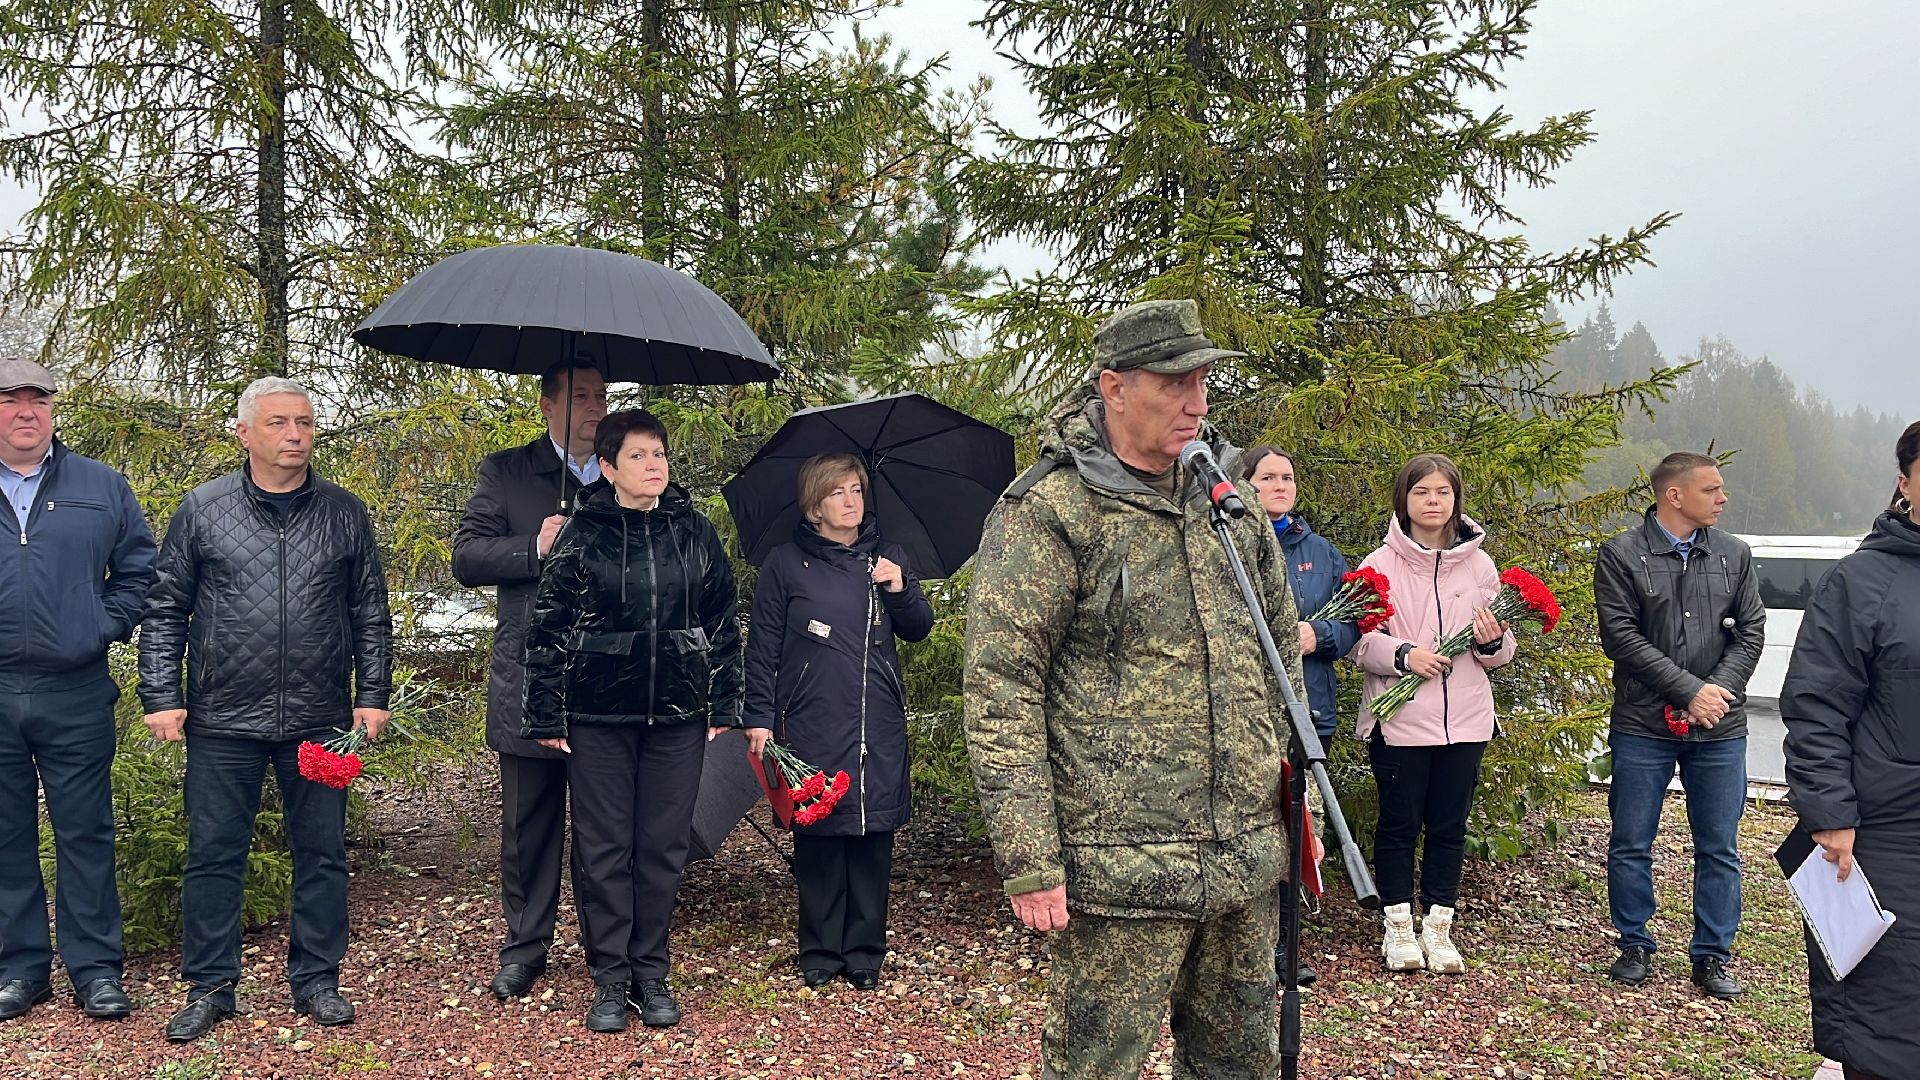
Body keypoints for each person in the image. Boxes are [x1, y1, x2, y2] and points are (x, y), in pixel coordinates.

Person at [963, 298, 1308, 1080]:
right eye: (1174, 384)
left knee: (1241, 1065)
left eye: (1205, 381)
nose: (1198, 403)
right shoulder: (1049, 511)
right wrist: (1030, 858)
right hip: (1120, 866)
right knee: (1094, 1067)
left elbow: (1278, 649)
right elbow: (1001, 691)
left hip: (1244, 861)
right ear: (1113, 388)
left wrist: (1279, 795)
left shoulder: (1230, 503)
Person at [139, 377, 392, 1042]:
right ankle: (211, 987)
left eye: (305, 423)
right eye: (279, 423)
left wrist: (373, 694)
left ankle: (316, 981)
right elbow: (166, 608)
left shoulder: (344, 512)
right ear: (244, 433)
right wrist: (162, 695)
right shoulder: (203, 510)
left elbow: (370, 610)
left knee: (323, 854)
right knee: (215, 855)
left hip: (319, 717)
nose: (294, 436)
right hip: (224, 717)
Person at [520, 408, 742, 1034]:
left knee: (663, 849)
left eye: (660, 454)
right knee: (605, 847)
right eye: (639, 456)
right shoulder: (582, 533)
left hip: (677, 716)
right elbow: (549, 627)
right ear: (610, 466)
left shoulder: (694, 531)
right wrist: (545, 709)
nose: (653, 466)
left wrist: (723, 701)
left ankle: (652, 972)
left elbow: (724, 620)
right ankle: (611, 978)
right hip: (598, 715)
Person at [0, 357, 157, 1023]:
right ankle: (20, 970)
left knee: (86, 834)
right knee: (5, 836)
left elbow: (141, 569)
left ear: (54, 409)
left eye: (37, 399)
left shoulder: (100, 485)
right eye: (9, 400)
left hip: (76, 689)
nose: (24, 412)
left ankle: (95, 971)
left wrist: (105, 623)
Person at [742, 454, 934, 991]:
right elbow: (762, 652)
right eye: (838, 493)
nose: (852, 501)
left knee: (873, 835)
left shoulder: (886, 557)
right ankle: (821, 951)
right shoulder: (785, 565)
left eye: (857, 489)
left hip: (877, 721)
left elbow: (919, 628)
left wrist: (900, 589)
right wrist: (758, 720)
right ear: (813, 506)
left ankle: (866, 952)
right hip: (811, 719)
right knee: (821, 835)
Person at [451, 360, 608, 1001]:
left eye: (602, 396)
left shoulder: (625, 471)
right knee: (529, 825)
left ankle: (608, 950)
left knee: (604, 828)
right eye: (580, 397)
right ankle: (525, 946)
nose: (595, 407)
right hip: (530, 676)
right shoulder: (508, 471)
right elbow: (465, 556)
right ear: (547, 405)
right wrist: (533, 547)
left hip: (607, 679)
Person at [1593, 451, 1764, 999]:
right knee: (1631, 839)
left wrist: (1712, 694)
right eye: (1712, 489)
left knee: (1719, 845)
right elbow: (1621, 638)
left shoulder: (1734, 555)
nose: (1723, 497)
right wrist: (1688, 690)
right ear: (1674, 495)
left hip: (1720, 728)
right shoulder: (1621, 555)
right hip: (1643, 724)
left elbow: (1752, 632)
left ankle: (1713, 955)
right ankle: (1635, 944)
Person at [1781, 420, 1920, 1080]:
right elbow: (1817, 704)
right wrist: (1830, 815)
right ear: (1905, 483)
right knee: (1888, 1010)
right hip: (1887, 836)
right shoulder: (1861, 583)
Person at [1348, 453, 1516, 974]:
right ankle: (1397, 926)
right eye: (1423, 492)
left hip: (1465, 718)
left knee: (1449, 825)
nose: (1434, 501)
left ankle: (1439, 927)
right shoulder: (1380, 564)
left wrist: (1492, 643)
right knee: (1400, 825)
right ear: (1405, 500)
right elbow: (1358, 643)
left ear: (1455, 500)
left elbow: (1501, 652)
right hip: (1401, 721)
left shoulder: (1479, 565)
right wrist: (1404, 655)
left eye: (1443, 492)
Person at [1241, 444, 1358, 984]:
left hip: (1310, 710)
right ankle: (1244, 947)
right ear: (1245, 484)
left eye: (1287, 477)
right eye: (1268, 477)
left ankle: (1287, 948)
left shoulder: (1322, 553)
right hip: (1247, 713)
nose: (1280, 486)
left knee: (1296, 829)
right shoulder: (1227, 542)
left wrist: (1321, 635)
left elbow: (1358, 623)